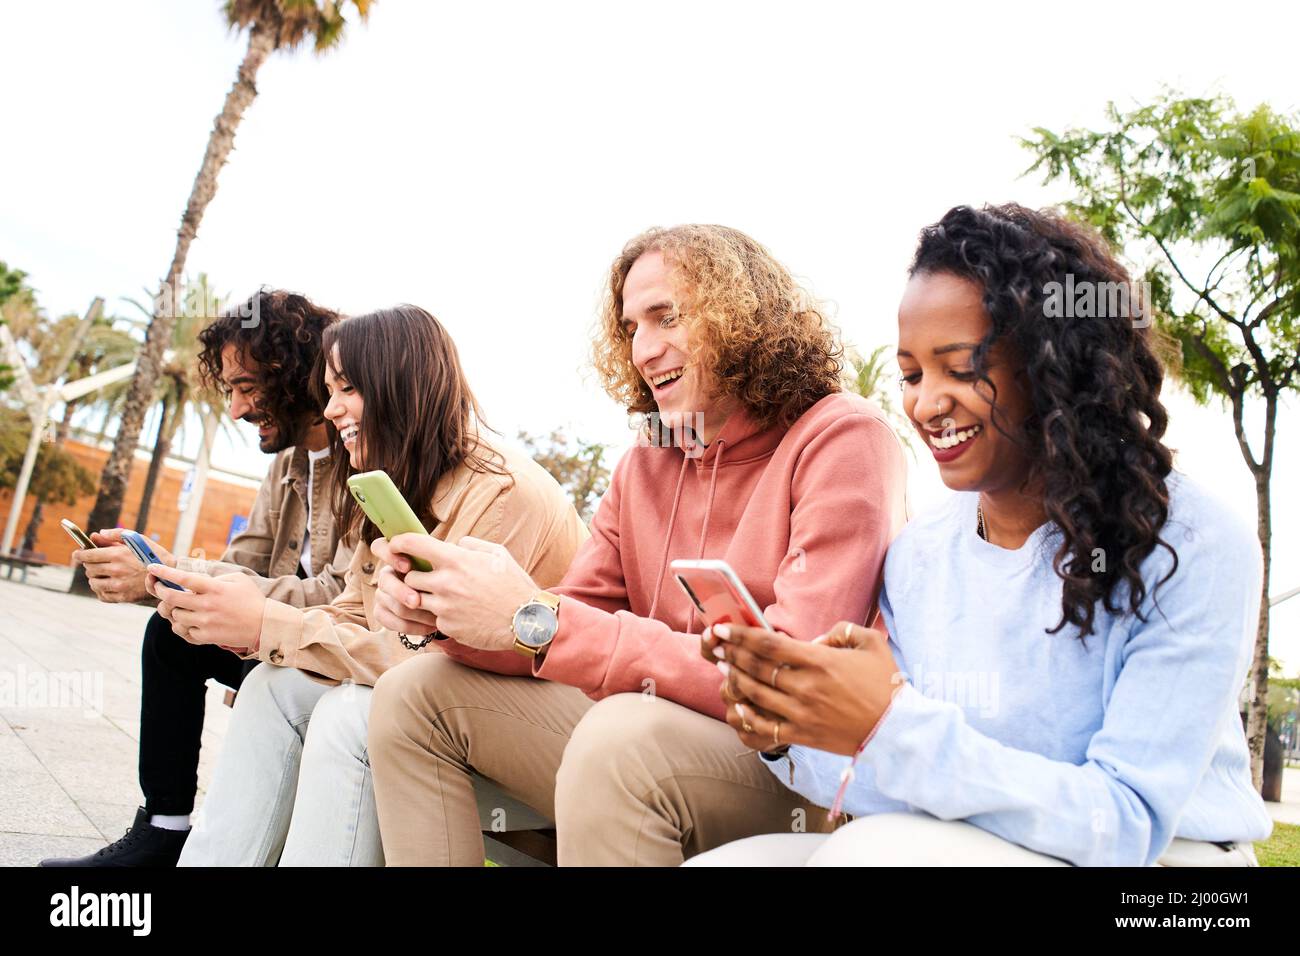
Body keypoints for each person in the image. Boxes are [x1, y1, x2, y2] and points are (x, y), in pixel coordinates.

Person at [691, 204, 1274, 867]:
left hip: (1170, 863)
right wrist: (787, 732)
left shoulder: (1191, 543)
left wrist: (893, 724)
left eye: (961, 368)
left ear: (1050, 365)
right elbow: (906, 778)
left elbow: (1125, 821)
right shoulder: (919, 555)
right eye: (911, 375)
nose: (926, 403)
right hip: (977, 842)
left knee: (872, 855)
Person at [367, 224, 909, 865]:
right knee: (413, 694)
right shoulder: (645, 461)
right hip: (639, 739)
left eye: (666, 317)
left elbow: (785, 677)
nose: (644, 349)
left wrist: (536, 621)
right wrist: (450, 613)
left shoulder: (844, 437)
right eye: (630, 328)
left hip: (795, 772)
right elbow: (567, 619)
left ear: (742, 318)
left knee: (621, 738)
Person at [148, 305, 588, 866]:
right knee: (272, 687)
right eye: (328, 390)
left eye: (347, 389)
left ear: (402, 386)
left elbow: (425, 664)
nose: (330, 410)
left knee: (353, 715)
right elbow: (356, 613)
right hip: (437, 702)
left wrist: (267, 623)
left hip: (535, 738)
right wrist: (258, 634)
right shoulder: (387, 480)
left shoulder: (503, 492)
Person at [40, 289, 351, 868]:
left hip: (341, 652)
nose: (235, 409)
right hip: (282, 634)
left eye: (246, 388)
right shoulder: (287, 461)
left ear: (295, 376)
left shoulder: (361, 453)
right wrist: (162, 578)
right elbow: (247, 561)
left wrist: (169, 574)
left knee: (181, 619)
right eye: (230, 391)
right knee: (173, 633)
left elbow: (341, 596)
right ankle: (163, 828)